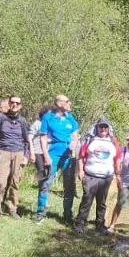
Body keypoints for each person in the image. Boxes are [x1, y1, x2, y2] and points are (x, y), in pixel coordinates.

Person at [34, 95, 80, 224]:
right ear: (59, 103)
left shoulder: (70, 118)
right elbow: (42, 138)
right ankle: (40, 213)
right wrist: (46, 155)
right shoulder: (48, 117)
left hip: (68, 156)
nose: (69, 103)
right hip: (53, 154)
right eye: (67, 101)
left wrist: (74, 143)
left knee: (69, 186)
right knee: (45, 184)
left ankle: (67, 215)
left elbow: (75, 136)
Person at [74, 119, 120, 234]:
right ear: (97, 128)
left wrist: (118, 174)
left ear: (108, 129)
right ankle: (80, 224)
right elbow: (81, 156)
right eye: (101, 127)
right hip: (90, 175)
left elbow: (117, 158)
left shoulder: (113, 141)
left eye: (105, 127)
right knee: (86, 200)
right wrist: (80, 171)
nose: (103, 129)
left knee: (102, 202)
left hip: (106, 177)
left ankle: (100, 224)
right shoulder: (90, 140)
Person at [0, 95, 31, 218]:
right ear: (9, 103)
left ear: (20, 106)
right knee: (1, 182)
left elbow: (26, 140)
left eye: (17, 103)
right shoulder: (0, 118)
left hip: (18, 152)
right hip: (3, 152)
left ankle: (12, 208)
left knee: (15, 182)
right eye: (12, 102)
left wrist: (26, 155)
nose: (14, 105)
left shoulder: (23, 121)